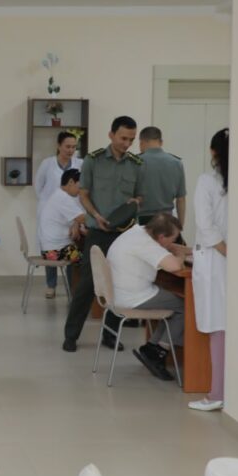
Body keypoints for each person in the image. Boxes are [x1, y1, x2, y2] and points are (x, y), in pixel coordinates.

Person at [62, 116, 146, 352]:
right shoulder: (93, 160)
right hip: (98, 233)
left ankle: (110, 335)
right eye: (123, 138)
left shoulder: (137, 164)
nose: (127, 144)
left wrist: (136, 202)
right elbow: (83, 194)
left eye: (131, 139)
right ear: (111, 135)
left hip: (124, 235)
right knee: (87, 285)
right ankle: (71, 336)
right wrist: (96, 215)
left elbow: (140, 196)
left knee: (119, 284)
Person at [106, 213, 190, 381]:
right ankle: (159, 351)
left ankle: (151, 347)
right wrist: (180, 256)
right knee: (186, 306)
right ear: (161, 237)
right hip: (133, 297)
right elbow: (174, 266)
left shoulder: (138, 232)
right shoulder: (146, 244)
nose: (173, 242)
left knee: (172, 300)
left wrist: (178, 248)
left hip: (120, 291)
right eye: (172, 239)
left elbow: (166, 248)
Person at [189, 128, 229, 411]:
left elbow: (205, 225)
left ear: (213, 152)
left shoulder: (207, 181)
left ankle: (217, 394)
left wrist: (228, 253)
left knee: (218, 324)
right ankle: (225, 392)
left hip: (216, 259)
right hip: (231, 259)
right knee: (230, 325)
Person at [34, 131, 84, 298]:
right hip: (54, 213)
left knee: (70, 245)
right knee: (55, 244)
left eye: (74, 147)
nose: (71, 150)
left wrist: (75, 222)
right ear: (58, 146)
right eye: (67, 146)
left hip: (71, 212)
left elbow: (81, 192)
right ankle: (51, 285)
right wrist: (50, 206)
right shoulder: (47, 163)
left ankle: (72, 287)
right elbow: (38, 186)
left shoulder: (80, 163)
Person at [37, 168, 87, 288]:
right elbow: (83, 218)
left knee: (81, 251)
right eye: (80, 186)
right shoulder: (63, 198)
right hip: (54, 251)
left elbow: (77, 218)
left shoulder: (59, 194)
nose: (80, 190)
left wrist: (75, 224)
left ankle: (73, 290)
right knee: (86, 259)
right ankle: (76, 293)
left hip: (52, 248)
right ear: (71, 182)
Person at [137, 127, 187, 226]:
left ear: (141, 142)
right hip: (167, 221)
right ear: (161, 142)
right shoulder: (176, 163)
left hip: (142, 221)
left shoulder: (135, 162)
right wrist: (180, 226)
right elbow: (181, 199)